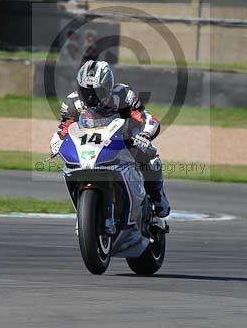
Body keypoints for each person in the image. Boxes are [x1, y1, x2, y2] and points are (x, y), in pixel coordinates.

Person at [49, 60, 170, 217]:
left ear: (108, 86)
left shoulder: (123, 94)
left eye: (97, 91)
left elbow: (141, 117)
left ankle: (157, 196)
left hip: (123, 140)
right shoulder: (72, 101)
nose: (91, 97)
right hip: (91, 145)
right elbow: (66, 126)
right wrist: (57, 141)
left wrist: (144, 134)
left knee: (149, 155)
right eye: (86, 91)